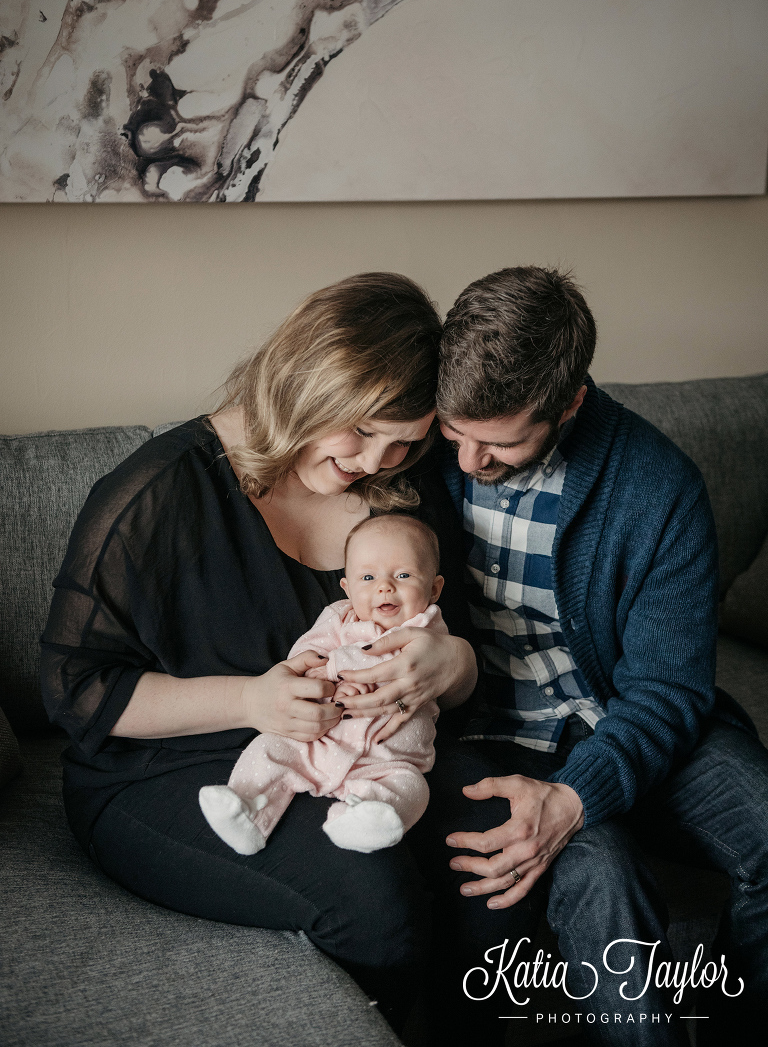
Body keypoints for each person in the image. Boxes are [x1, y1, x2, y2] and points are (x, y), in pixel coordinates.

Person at [40, 272, 477, 1032]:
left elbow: (461, 652)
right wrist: (249, 700)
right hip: (170, 772)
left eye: (405, 441)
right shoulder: (159, 493)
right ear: (311, 384)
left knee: (495, 857)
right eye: (362, 429)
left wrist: (453, 665)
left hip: (365, 756)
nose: (376, 459)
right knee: (378, 905)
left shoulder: (402, 488)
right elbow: (74, 689)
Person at [385, 266, 768, 1045]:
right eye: (457, 434)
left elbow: (666, 691)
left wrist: (577, 795)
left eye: (499, 443)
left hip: (625, 715)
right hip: (490, 734)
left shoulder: (658, 487)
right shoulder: (415, 456)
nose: (468, 463)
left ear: (569, 403)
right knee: (606, 878)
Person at [199, 513, 448, 857]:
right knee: (270, 748)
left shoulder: (428, 627)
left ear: (434, 588)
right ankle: (246, 811)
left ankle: (364, 821)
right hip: (318, 741)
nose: (384, 586)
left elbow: (400, 666)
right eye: (367, 577)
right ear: (346, 586)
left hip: (389, 757)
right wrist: (324, 680)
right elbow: (306, 655)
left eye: (403, 575)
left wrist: (341, 667)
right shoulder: (337, 617)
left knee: (412, 789)